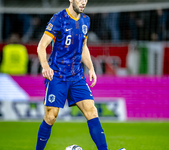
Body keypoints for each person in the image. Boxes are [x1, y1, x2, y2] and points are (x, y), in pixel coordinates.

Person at [35, 0, 125, 150]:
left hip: (76, 76)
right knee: (51, 117)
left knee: (91, 110)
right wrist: (45, 66)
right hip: (57, 75)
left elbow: (83, 47)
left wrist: (91, 68)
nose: (83, 2)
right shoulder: (58, 18)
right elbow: (41, 46)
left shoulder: (86, 21)